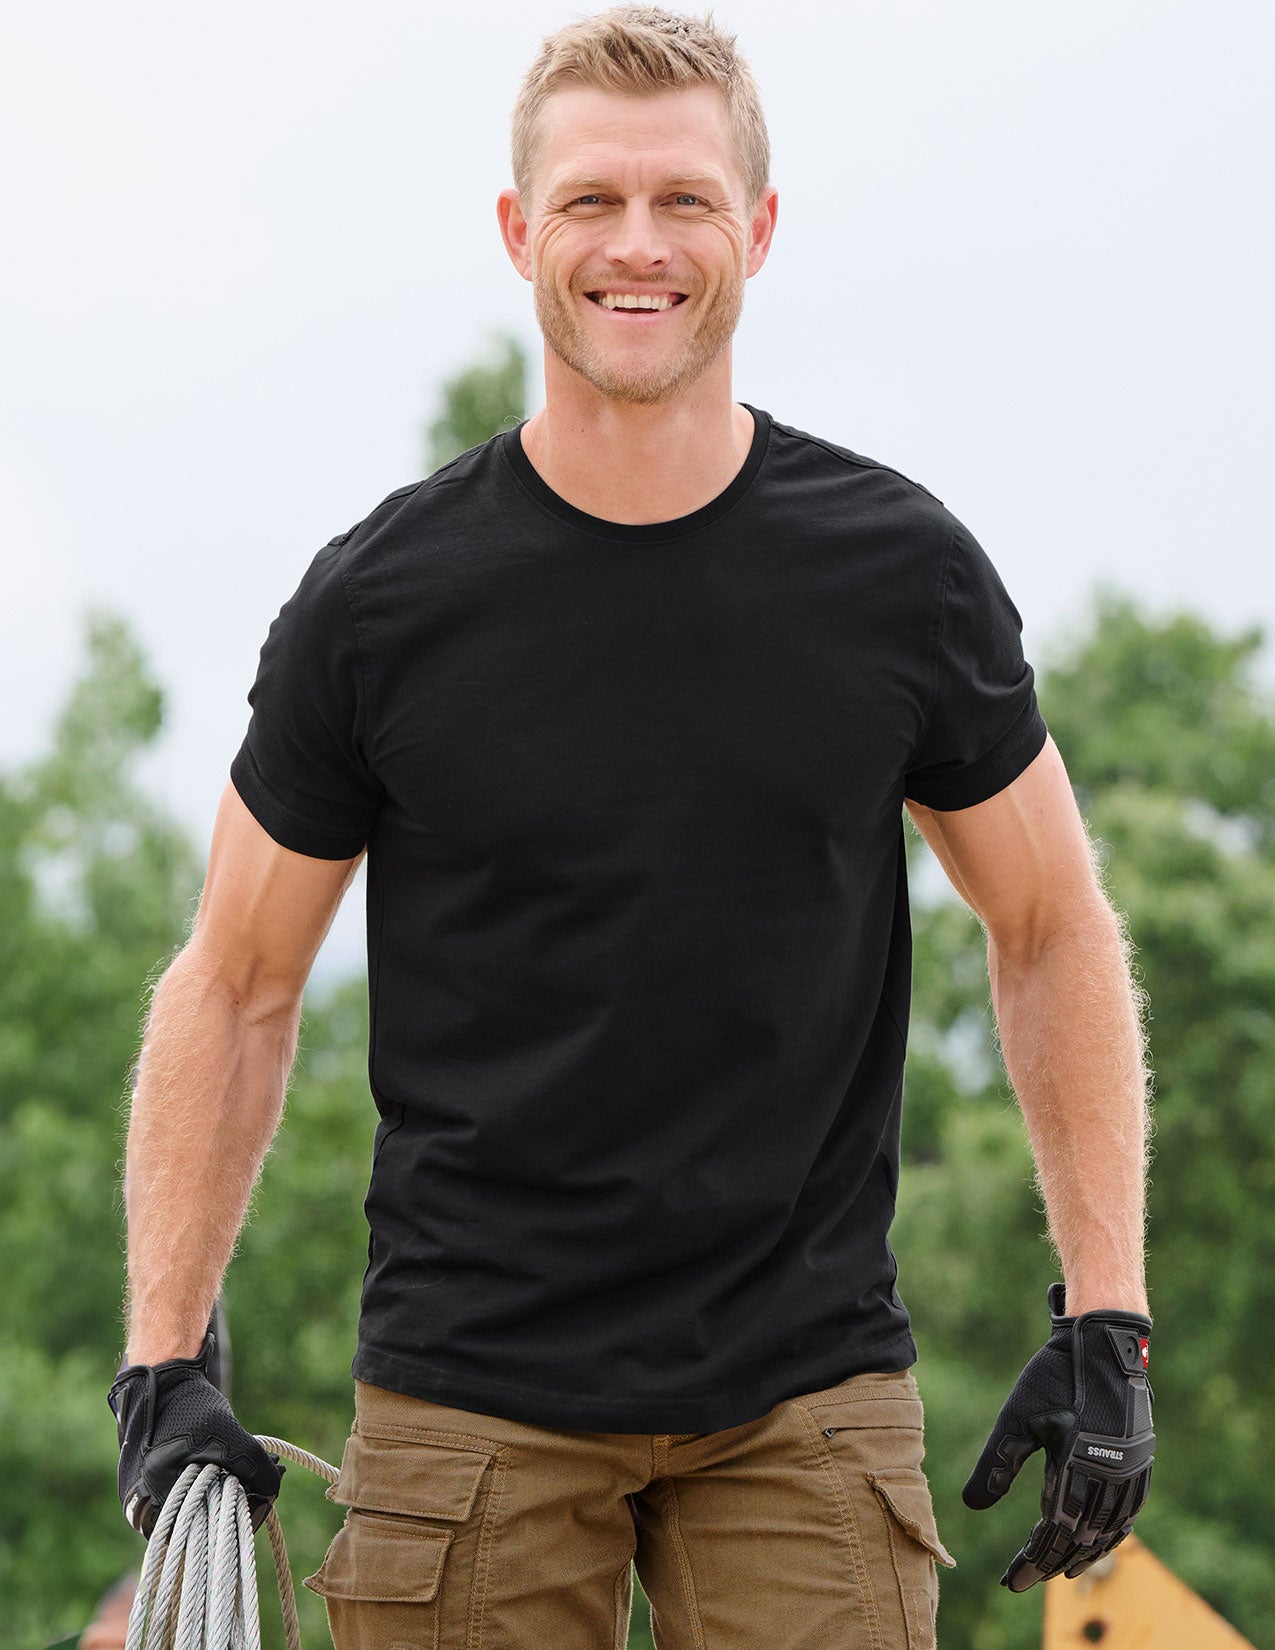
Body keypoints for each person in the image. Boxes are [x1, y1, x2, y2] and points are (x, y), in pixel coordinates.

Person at [108, 9, 1154, 1647]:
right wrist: (162, 1357)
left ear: (761, 227)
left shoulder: (902, 576)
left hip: (804, 1390)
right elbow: (235, 979)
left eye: (685, 200)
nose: (638, 244)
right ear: (519, 230)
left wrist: (1110, 1316)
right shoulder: (380, 605)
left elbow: (1049, 924)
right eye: (591, 200)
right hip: (470, 1393)